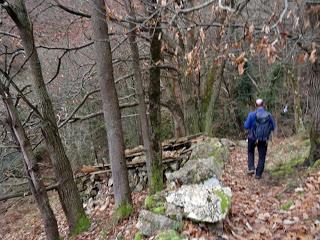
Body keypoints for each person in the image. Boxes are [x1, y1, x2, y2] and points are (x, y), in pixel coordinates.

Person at [244, 99, 275, 179]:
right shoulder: (268, 115)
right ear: (263, 105)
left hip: (252, 137)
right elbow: (273, 127)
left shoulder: (251, 114)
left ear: (255, 105)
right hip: (263, 139)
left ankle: (251, 168)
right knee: (262, 156)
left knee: (250, 152)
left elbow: (246, 126)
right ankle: (258, 174)